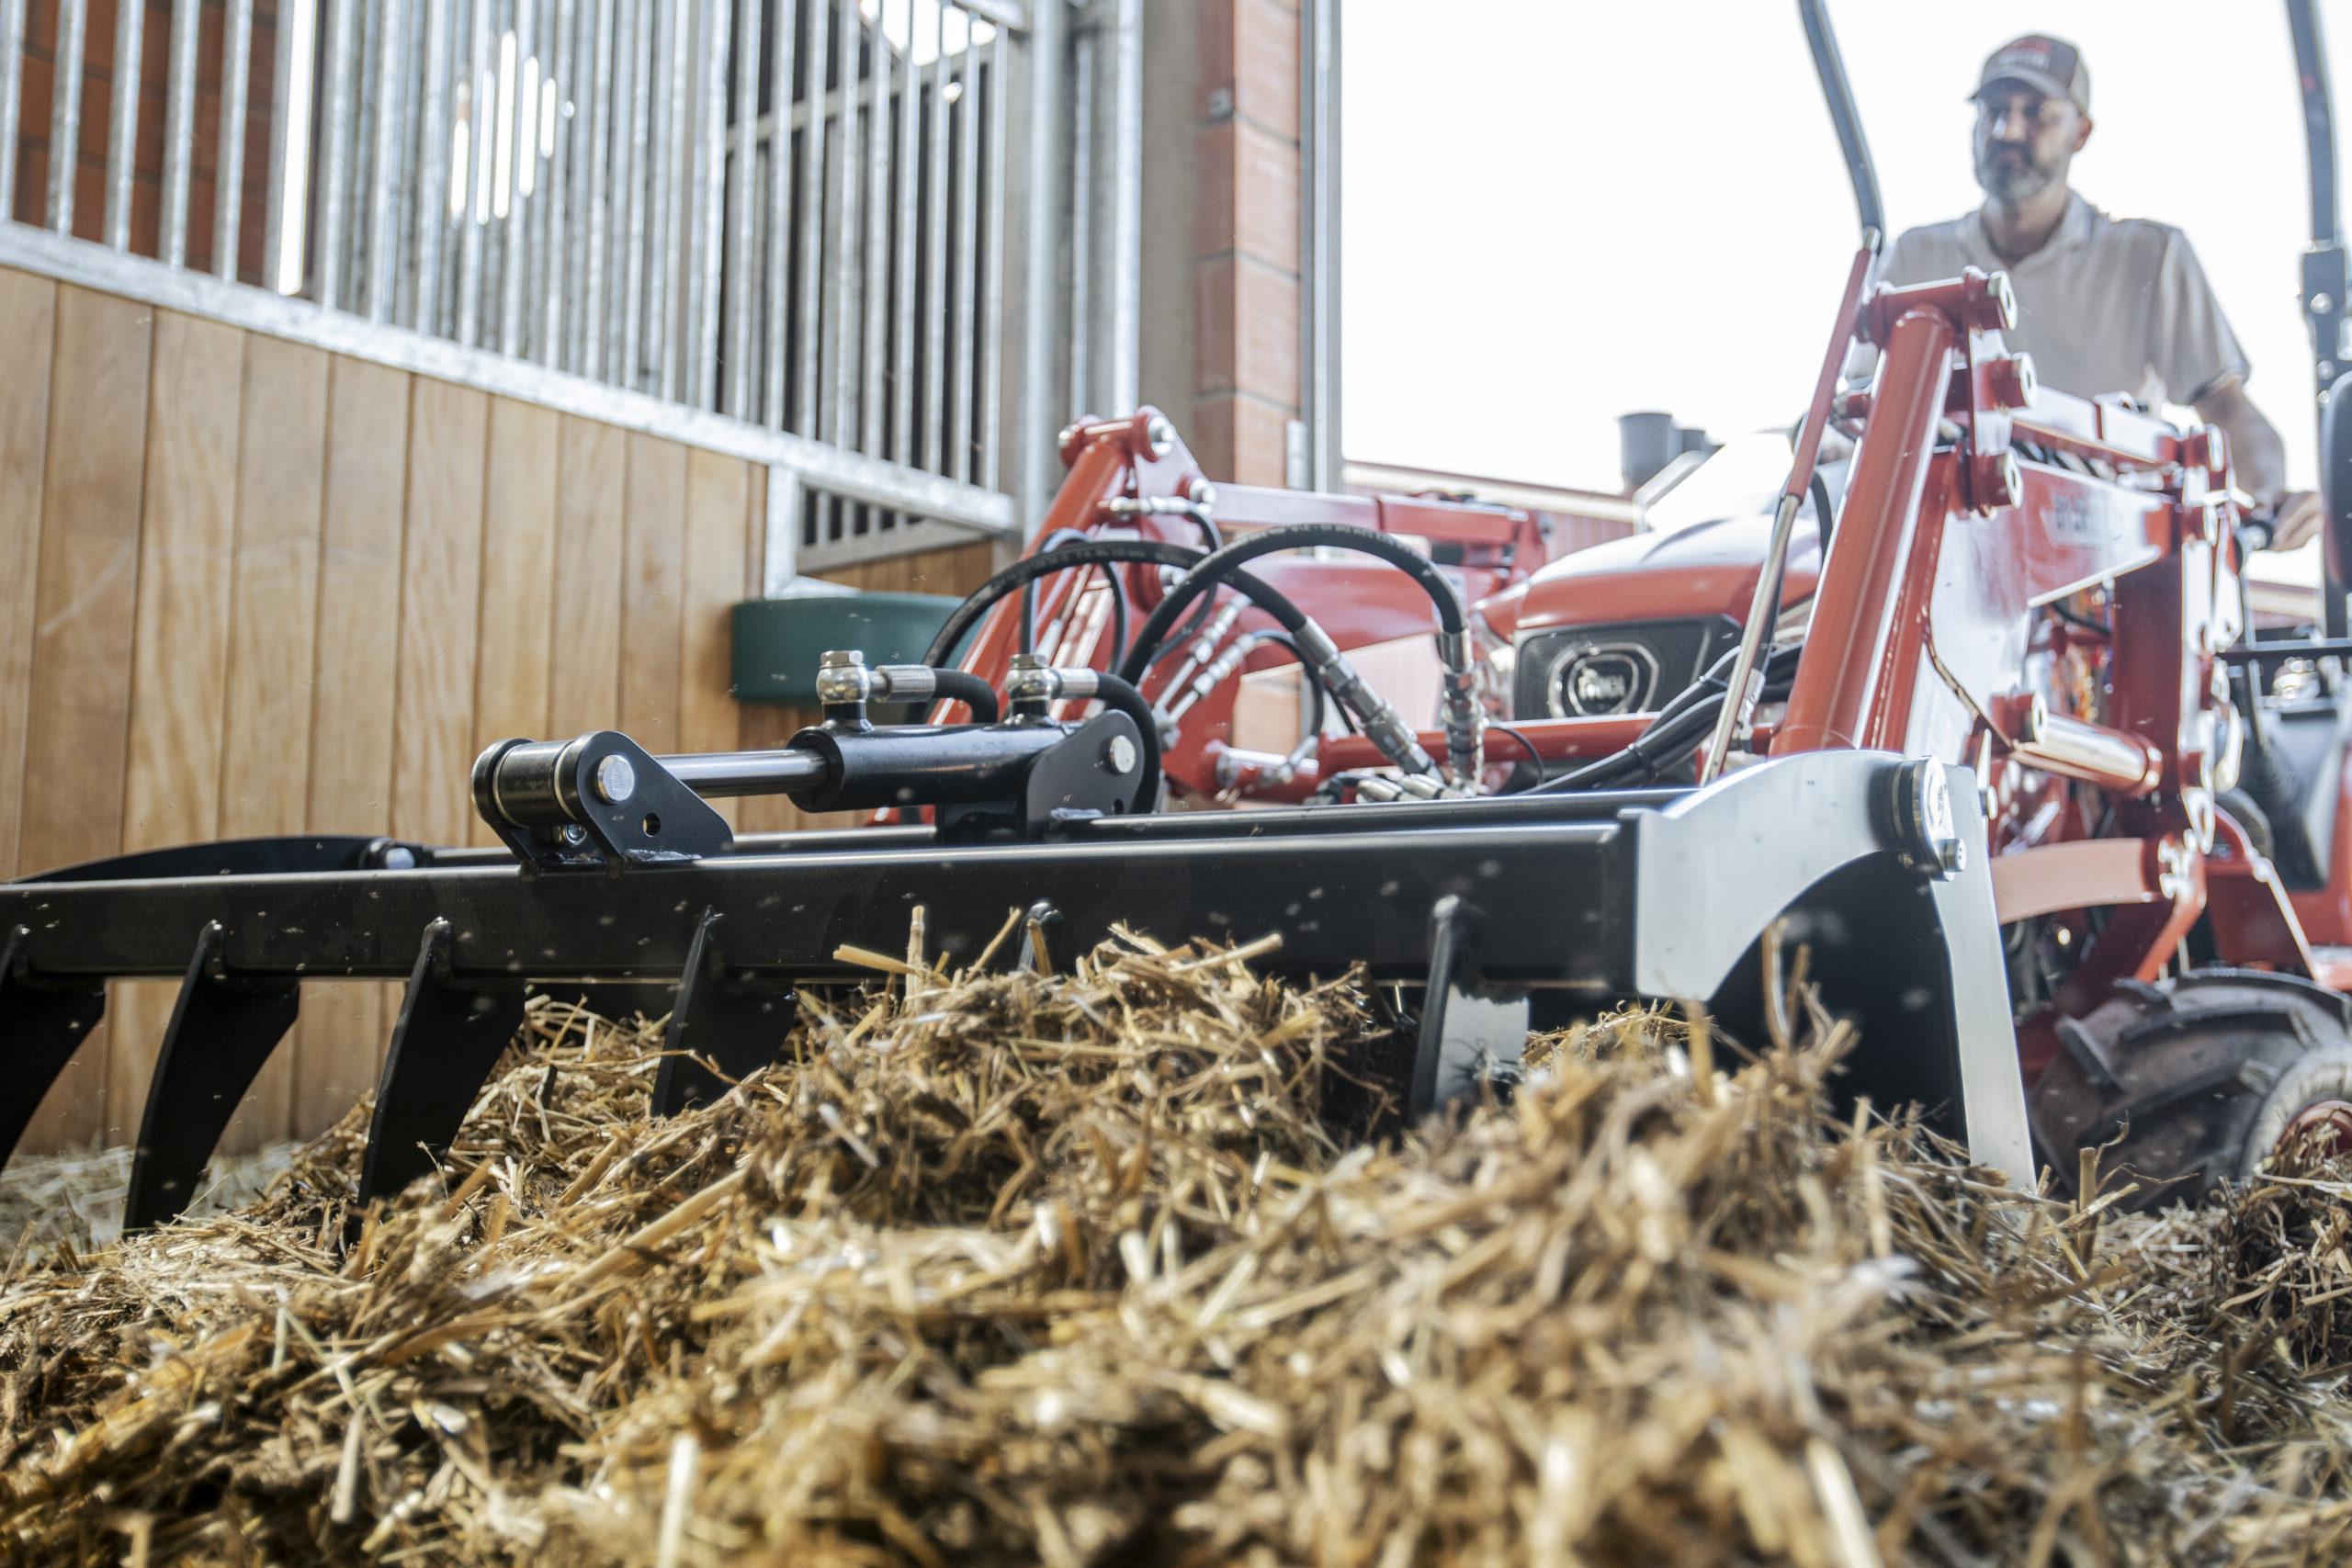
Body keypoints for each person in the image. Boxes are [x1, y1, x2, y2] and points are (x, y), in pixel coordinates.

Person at [1851, 34, 2324, 547]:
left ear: (2081, 132)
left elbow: (2226, 407)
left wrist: (2271, 496)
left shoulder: (2148, 255)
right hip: (1943, 542)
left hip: (2105, 558)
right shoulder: (1918, 257)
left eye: (2036, 113)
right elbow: (1856, 406)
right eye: (1993, 110)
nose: (2007, 130)